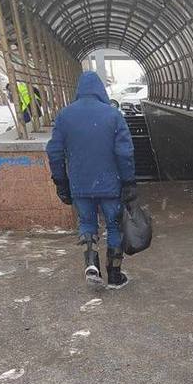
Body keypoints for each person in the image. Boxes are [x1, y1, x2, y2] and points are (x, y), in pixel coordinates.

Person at [46, 71, 136, 289]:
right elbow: (125, 153)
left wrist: (61, 181)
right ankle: (114, 275)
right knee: (114, 226)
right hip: (110, 184)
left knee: (87, 223)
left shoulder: (65, 116)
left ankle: (91, 265)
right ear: (100, 90)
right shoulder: (113, 115)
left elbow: (55, 151)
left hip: (80, 184)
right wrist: (128, 181)